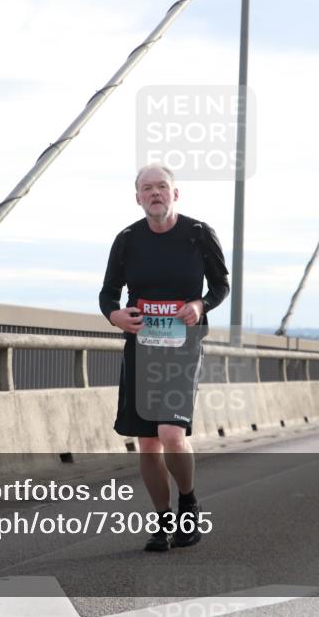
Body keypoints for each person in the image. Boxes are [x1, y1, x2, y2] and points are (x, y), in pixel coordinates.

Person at [99, 163, 229, 552]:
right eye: (147, 188)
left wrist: (200, 305)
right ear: (137, 197)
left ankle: (187, 500)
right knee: (147, 443)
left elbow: (221, 284)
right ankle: (163, 519)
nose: (154, 193)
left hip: (182, 346)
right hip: (142, 348)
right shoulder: (127, 239)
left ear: (176, 193)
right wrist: (115, 315)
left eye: (161, 187)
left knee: (171, 435)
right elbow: (108, 292)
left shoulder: (198, 234)